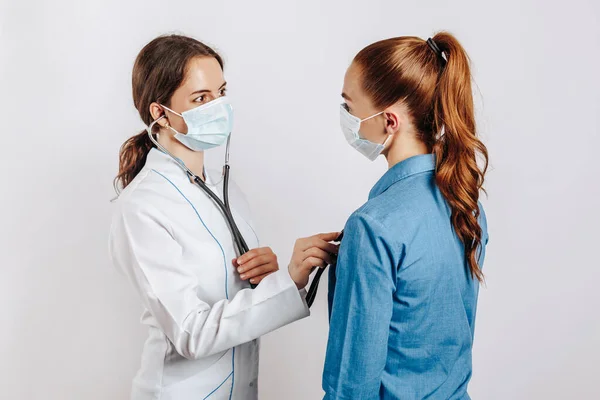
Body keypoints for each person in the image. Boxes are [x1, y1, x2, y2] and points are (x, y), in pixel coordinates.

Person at [108, 34, 338, 400]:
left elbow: (237, 297)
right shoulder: (143, 206)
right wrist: (290, 280)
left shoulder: (228, 190)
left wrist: (269, 278)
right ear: (160, 113)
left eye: (221, 92)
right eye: (201, 98)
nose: (218, 106)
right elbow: (191, 333)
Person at [323, 32, 489, 399]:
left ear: (389, 121)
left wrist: (361, 255)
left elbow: (353, 385)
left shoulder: (373, 226)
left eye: (350, 106)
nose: (347, 118)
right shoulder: (465, 204)